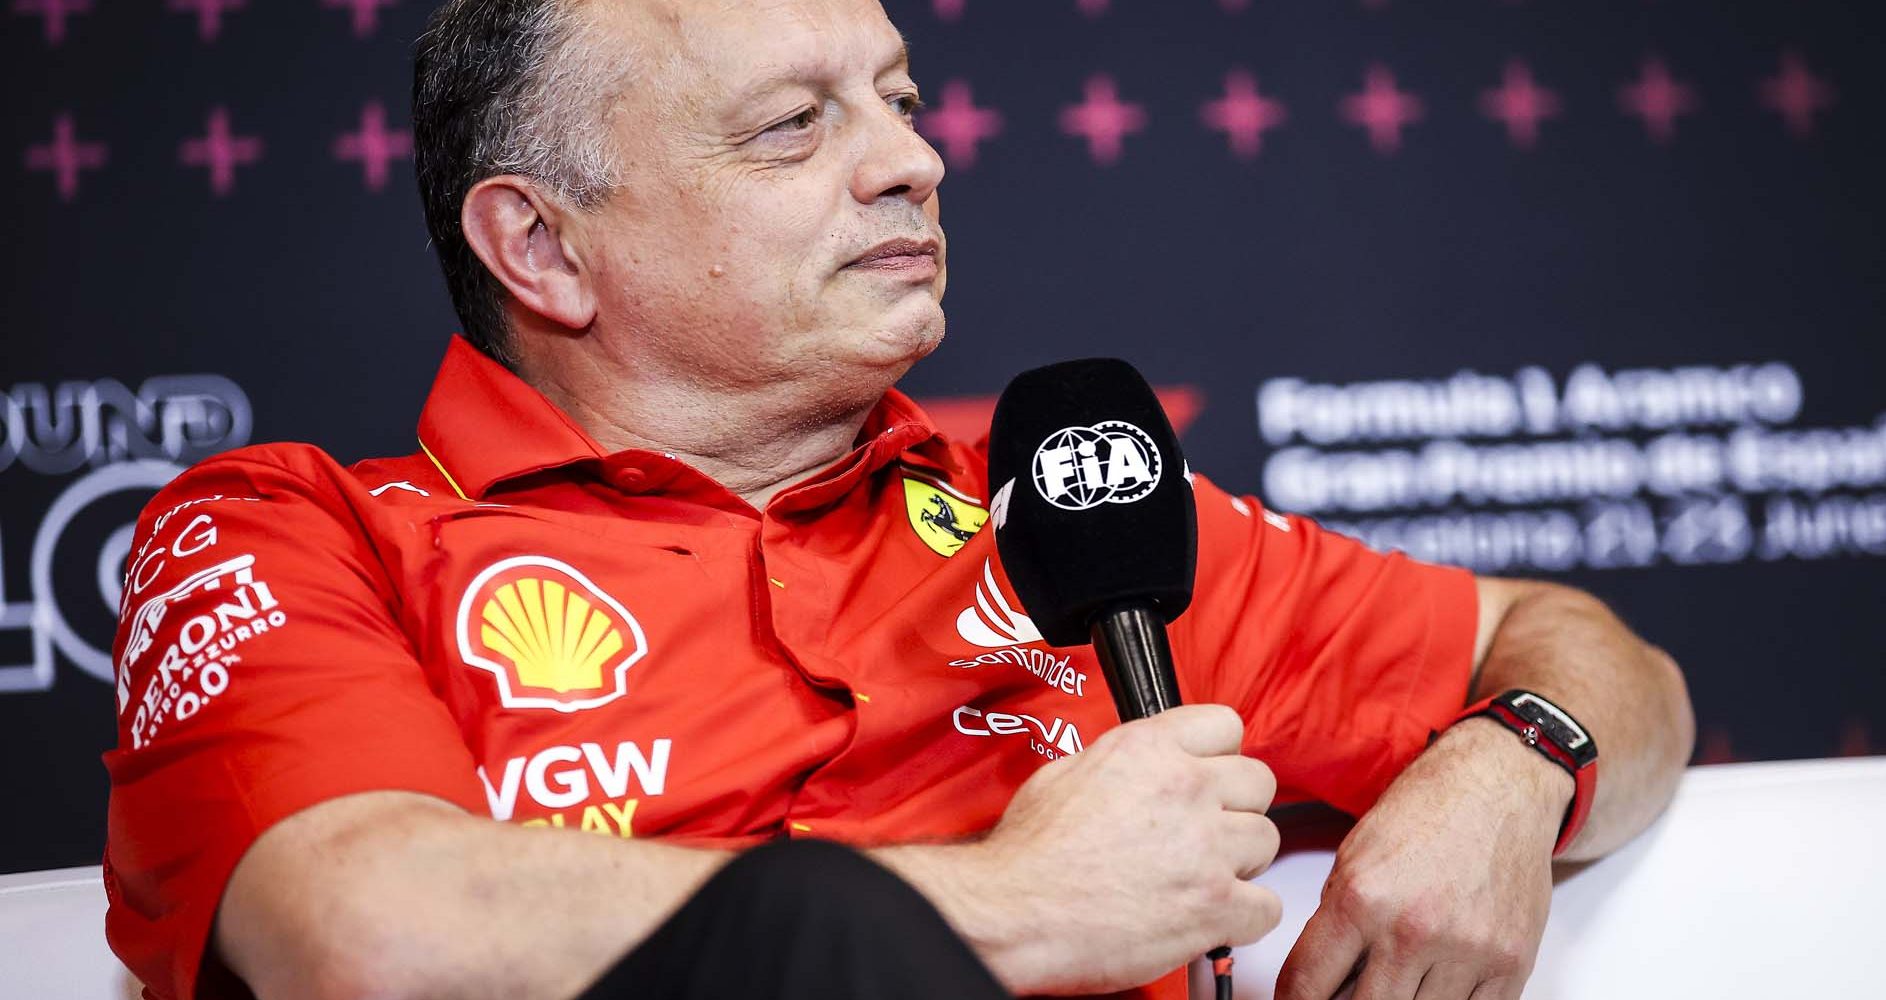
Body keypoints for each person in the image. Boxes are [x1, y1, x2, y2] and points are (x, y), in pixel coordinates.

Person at [101, 1, 1696, 998]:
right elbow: (366, 934)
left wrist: (1517, 769)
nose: (913, 161)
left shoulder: (1063, 512)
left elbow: (1596, 657)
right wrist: (1018, 901)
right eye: (795, 125)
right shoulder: (295, 534)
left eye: (901, 98)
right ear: (543, 248)